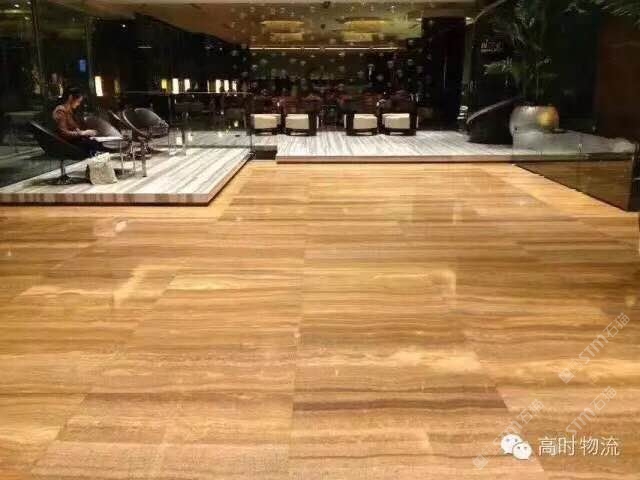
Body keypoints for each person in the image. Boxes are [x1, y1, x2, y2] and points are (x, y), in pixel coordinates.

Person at [52, 86, 99, 155]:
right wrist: (83, 133)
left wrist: (82, 132)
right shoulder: (60, 111)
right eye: (78, 101)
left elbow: (73, 127)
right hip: (65, 144)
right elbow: (63, 133)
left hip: (72, 141)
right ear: (70, 98)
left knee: (95, 141)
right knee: (92, 144)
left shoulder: (69, 111)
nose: (78, 104)